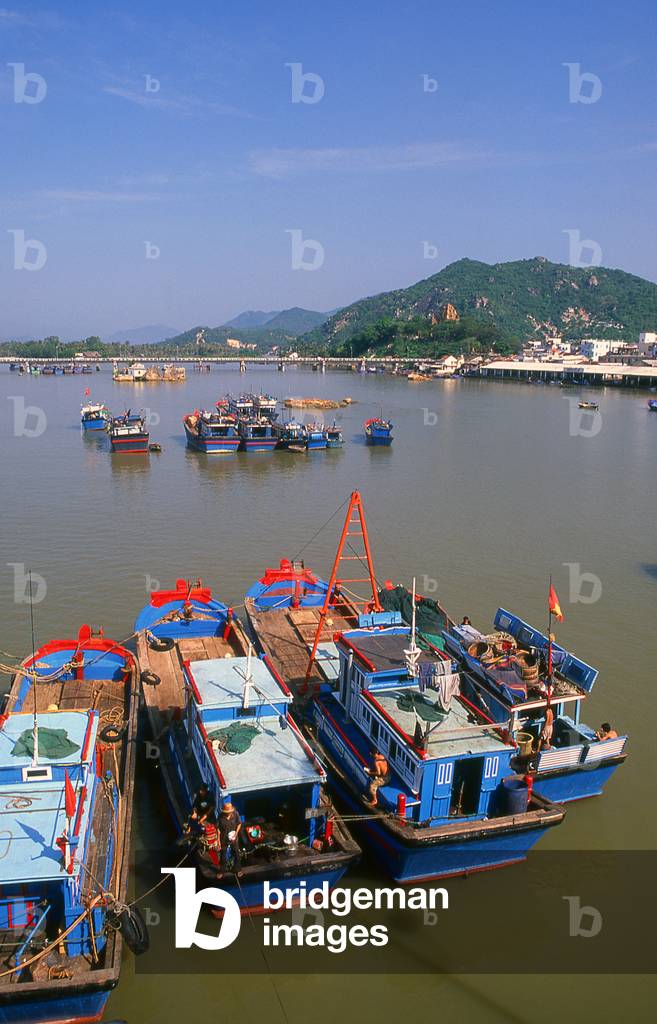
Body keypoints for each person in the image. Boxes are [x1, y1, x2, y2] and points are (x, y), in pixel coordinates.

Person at [219, 800, 243, 875]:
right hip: (224, 838)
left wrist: (236, 833)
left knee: (236, 853)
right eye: (226, 812)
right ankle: (222, 871)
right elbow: (218, 829)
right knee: (223, 854)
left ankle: (238, 869)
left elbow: (239, 824)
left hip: (233, 837)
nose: (228, 813)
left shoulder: (235, 814)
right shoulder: (220, 817)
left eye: (229, 811)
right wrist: (218, 841)